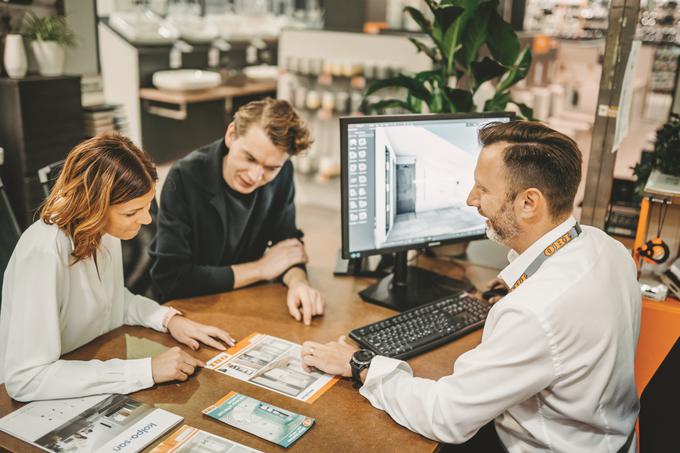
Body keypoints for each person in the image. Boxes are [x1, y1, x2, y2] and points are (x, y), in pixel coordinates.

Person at [301, 121, 641, 453]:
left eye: (483, 189)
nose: (470, 199)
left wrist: (361, 365)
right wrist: (519, 284)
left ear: (529, 202)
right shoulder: (605, 247)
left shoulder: (533, 312)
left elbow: (446, 416)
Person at [0, 133, 236, 402]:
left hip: (90, 366)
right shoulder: (43, 251)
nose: (146, 219)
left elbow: (111, 302)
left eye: (146, 207)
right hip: (31, 402)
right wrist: (146, 370)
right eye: (131, 212)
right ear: (93, 206)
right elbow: (25, 379)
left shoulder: (102, 231)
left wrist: (170, 319)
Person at [150, 98, 324, 325]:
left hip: (247, 302)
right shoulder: (185, 176)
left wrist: (299, 283)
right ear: (231, 135)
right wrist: (261, 268)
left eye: (270, 168)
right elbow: (171, 280)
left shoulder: (282, 173)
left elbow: (288, 245)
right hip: (191, 311)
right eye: (249, 158)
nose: (254, 176)